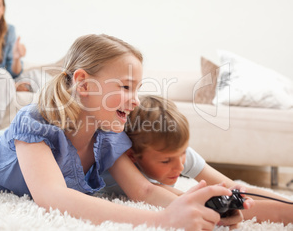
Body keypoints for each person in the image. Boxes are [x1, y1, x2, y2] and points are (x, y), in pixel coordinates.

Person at [0, 34, 252, 230]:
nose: (135, 99)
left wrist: (199, 205)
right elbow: (54, 197)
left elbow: (145, 191)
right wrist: (162, 222)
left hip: (5, 143)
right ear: (83, 84)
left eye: (137, 88)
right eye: (126, 87)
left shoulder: (112, 132)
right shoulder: (36, 123)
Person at [102, 95, 293, 225]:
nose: (180, 165)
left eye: (183, 152)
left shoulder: (174, 151)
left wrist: (287, 203)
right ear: (133, 156)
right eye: (166, 161)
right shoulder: (121, 160)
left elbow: (233, 186)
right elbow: (176, 199)